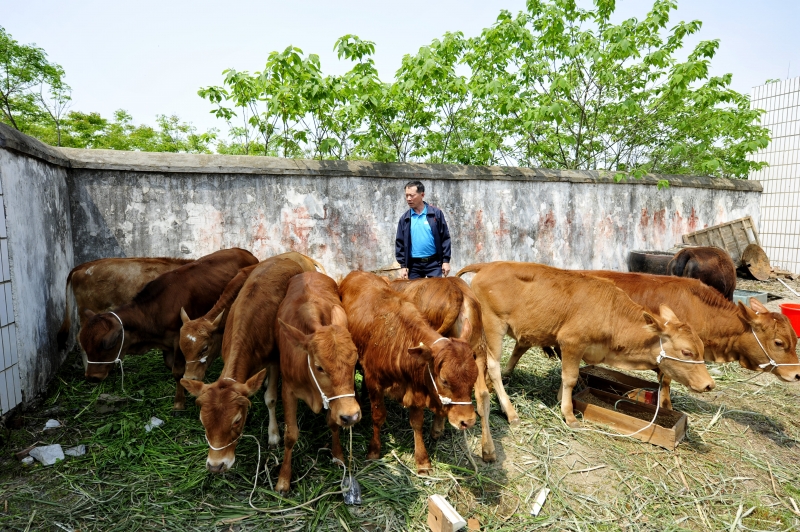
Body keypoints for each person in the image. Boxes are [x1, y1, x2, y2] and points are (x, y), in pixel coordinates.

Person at [395, 181, 452, 279]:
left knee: (436, 293)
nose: (408, 199)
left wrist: (445, 261)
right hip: (414, 266)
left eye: (412, 195)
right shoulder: (405, 219)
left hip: (434, 263)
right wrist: (403, 266)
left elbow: (445, 238)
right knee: (414, 294)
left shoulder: (436, 214)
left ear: (422, 195)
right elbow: (400, 243)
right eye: (406, 195)